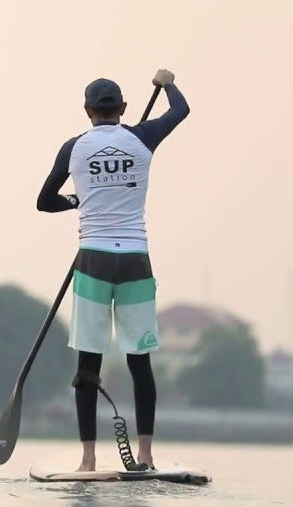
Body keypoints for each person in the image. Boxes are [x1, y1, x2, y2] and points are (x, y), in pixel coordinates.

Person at [36, 69, 190, 471]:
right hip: (136, 261)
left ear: (87, 111)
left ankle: (88, 460)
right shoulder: (143, 137)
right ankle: (146, 454)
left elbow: (44, 202)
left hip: (94, 261)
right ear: (122, 108)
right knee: (140, 362)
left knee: (88, 364)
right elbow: (181, 110)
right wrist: (167, 84)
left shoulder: (74, 148)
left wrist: (77, 200)